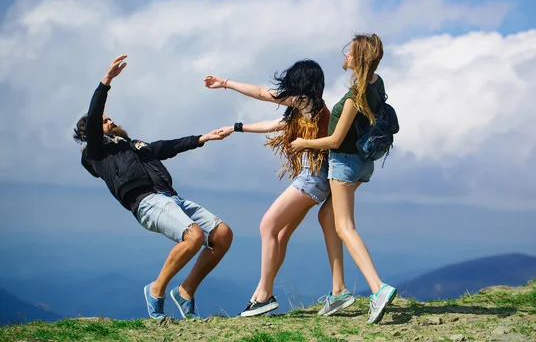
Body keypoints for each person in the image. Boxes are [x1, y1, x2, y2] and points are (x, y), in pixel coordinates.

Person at [73, 55, 234, 320]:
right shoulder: (96, 152)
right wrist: (107, 81)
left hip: (171, 197)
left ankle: (185, 291)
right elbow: (92, 120)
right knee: (193, 237)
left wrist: (204, 138)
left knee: (223, 235)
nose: (110, 121)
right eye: (104, 121)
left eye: (110, 118)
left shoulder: (135, 145)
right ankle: (156, 290)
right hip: (146, 202)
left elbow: (167, 147)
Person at [204, 60, 355, 317]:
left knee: (267, 225)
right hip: (318, 180)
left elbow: (263, 93)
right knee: (281, 235)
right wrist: (235, 128)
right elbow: (275, 125)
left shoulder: (305, 102)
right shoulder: (310, 109)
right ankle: (262, 293)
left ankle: (264, 296)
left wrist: (226, 83)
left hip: (312, 179)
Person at [290, 34, 397, 324]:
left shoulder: (354, 97)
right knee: (327, 217)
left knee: (344, 226)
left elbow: (335, 141)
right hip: (364, 165)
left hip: (345, 165)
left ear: (358, 59)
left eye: (349, 53)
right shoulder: (376, 83)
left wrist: (303, 144)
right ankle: (338, 290)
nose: (345, 56)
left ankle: (378, 288)